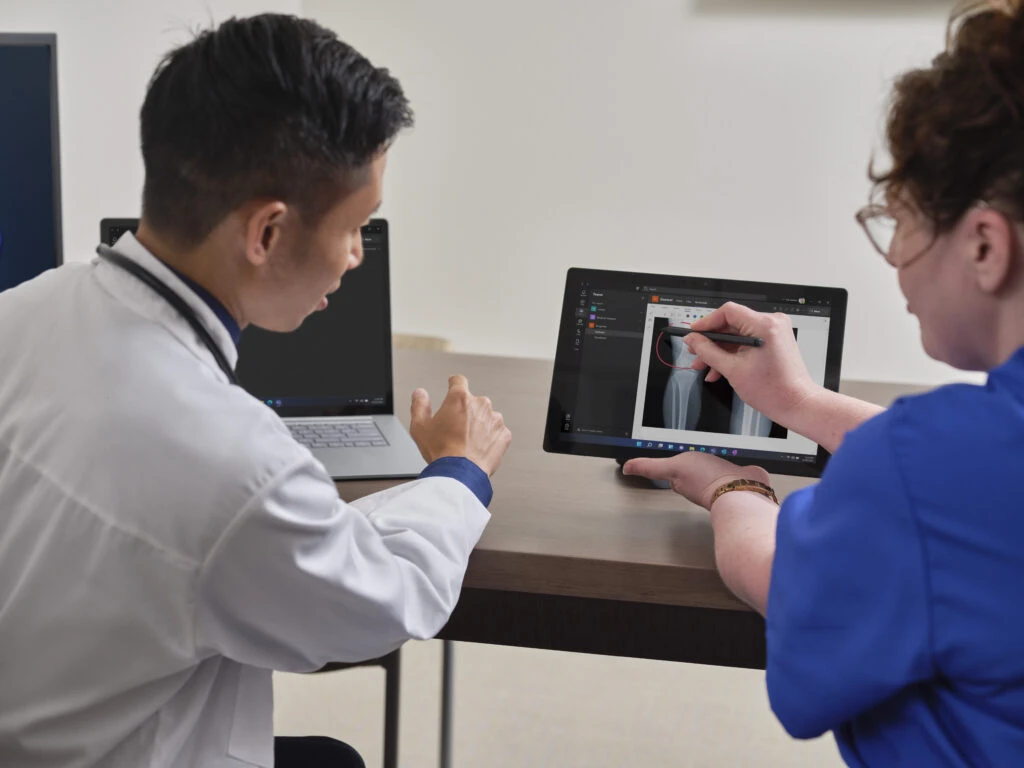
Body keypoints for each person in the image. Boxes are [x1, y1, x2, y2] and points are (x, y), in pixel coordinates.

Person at [0, 14, 511, 768]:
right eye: (356, 227)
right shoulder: (235, 465)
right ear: (266, 234)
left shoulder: (24, 309)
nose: (356, 257)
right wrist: (458, 473)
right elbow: (383, 602)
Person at [625, 1, 1024, 765]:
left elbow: (787, 585)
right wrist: (802, 406)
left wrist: (731, 488)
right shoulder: (951, 464)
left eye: (897, 219)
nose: (893, 254)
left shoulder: (923, 469)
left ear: (983, 244)